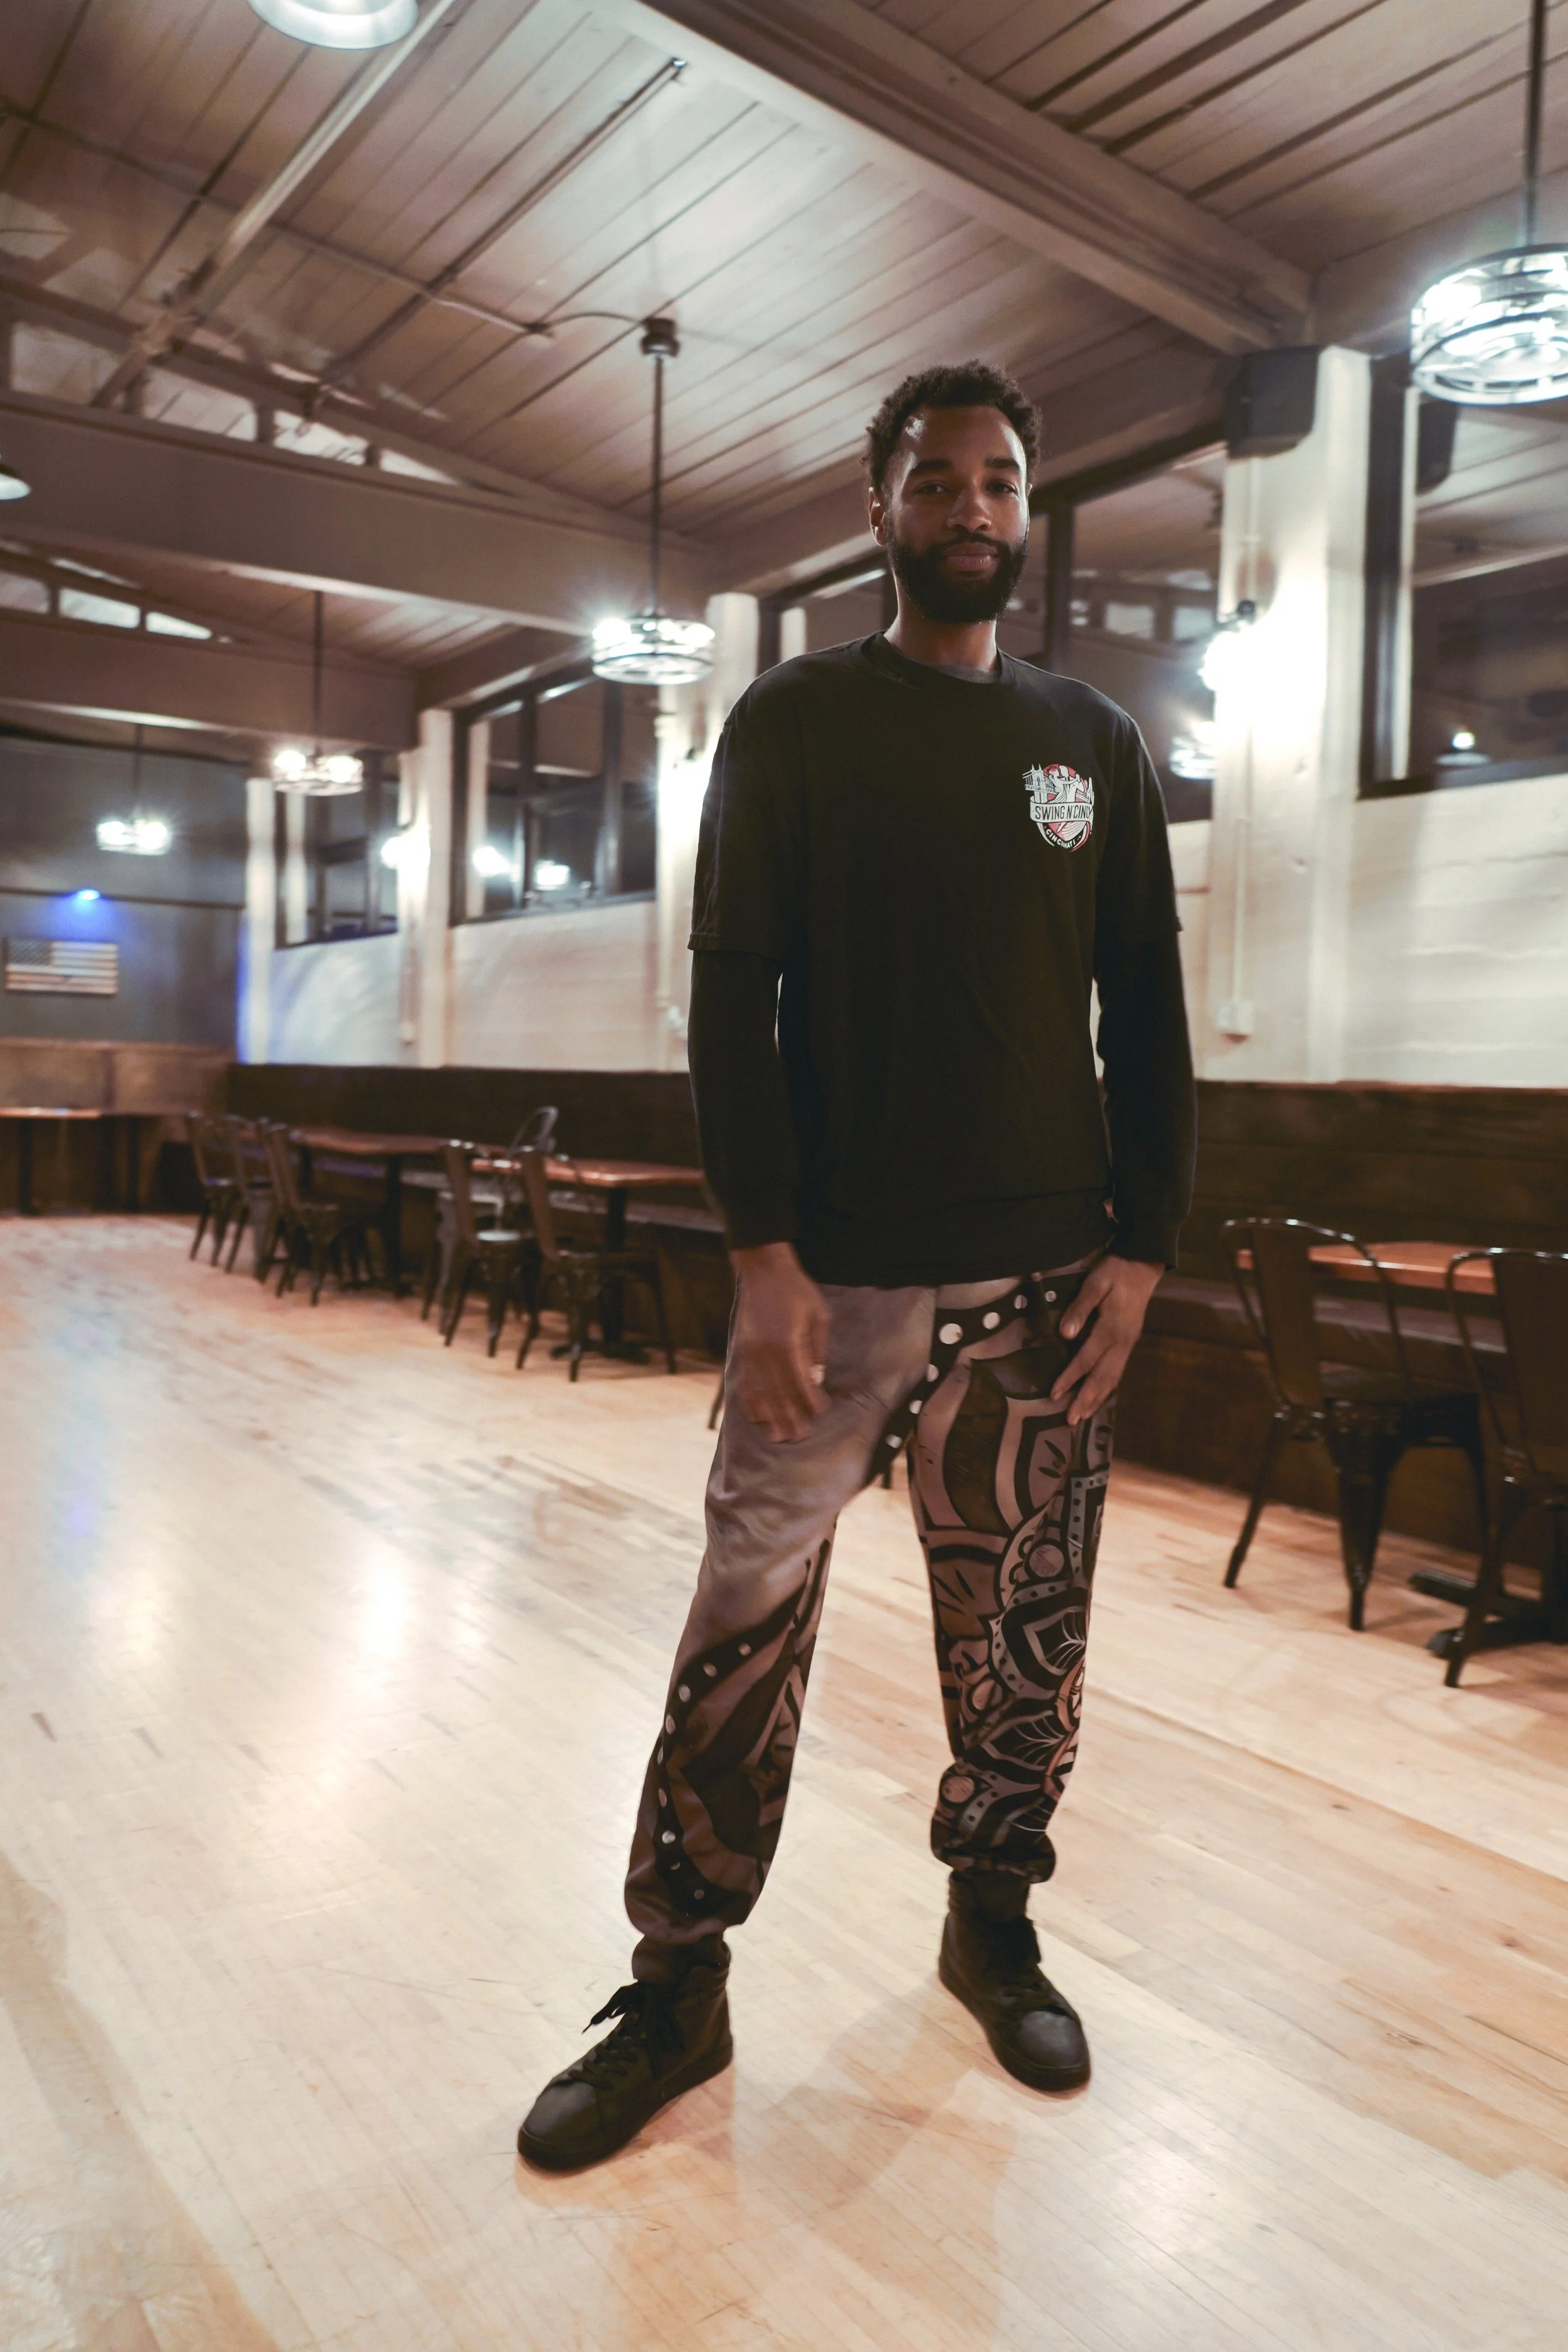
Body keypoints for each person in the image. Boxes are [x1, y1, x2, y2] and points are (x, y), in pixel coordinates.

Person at [518, 360, 1195, 2171]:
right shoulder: (794, 725)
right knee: (738, 1632)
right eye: (937, 480)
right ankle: (677, 1980)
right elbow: (730, 996)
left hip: (1045, 1283)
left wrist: (1144, 1243)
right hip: (834, 1287)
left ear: (1023, 508)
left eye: (999, 478)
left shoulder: (1089, 746)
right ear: (877, 506)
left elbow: (1145, 1000)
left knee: (1022, 1646)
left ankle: (992, 1922)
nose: (972, 505)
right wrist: (760, 1255)